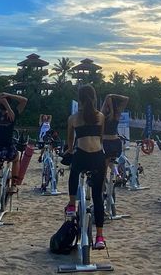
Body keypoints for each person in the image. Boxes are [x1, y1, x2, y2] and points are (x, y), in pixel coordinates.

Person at [63, 85, 106, 249]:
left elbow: (69, 140)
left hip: (81, 155)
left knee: (73, 173)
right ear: (94, 98)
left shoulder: (73, 118)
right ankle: (100, 237)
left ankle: (72, 203)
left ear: (79, 100)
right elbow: (101, 139)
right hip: (98, 158)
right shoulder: (100, 116)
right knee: (97, 197)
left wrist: (69, 149)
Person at [0, 92, 28, 210]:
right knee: (16, 158)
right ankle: (14, 184)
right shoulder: (12, 114)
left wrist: (1, 98)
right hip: (8, 147)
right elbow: (24, 100)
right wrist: (8, 97)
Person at [101, 93, 129, 166]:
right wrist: (113, 95)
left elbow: (107, 98)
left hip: (106, 142)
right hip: (116, 142)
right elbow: (126, 98)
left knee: (105, 164)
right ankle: (117, 174)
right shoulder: (117, 114)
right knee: (112, 163)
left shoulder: (102, 114)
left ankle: (105, 177)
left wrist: (108, 96)